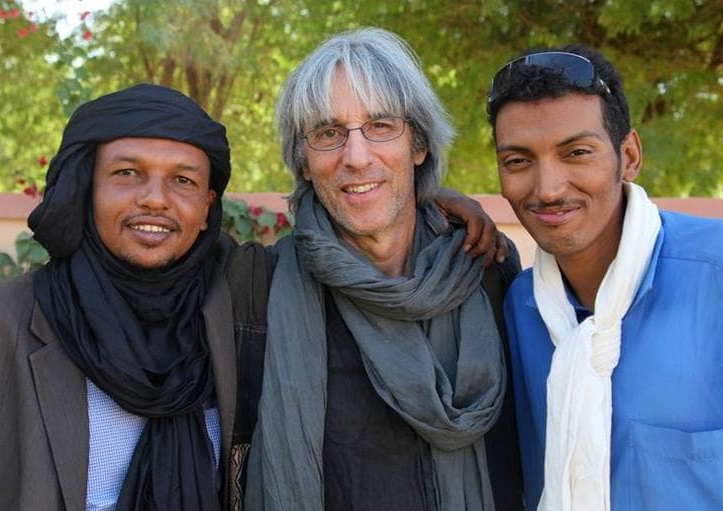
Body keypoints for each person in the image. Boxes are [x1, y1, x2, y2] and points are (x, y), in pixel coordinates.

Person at [0, 84, 272, 510]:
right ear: (86, 189)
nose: (156, 199)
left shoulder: (240, 323)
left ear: (206, 209)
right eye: (127, 173)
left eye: (183, 180)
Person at [246, 28, 523, 511]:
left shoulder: (488, 271)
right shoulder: (259, 289)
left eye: (381, 127)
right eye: (329, 133)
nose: (356, 157)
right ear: (305, 162)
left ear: (418, 145)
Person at [488, 45, 723, 510]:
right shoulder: (519, 308)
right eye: (518, 161)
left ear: (629, 154)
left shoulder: (714, 276)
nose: (548, 188)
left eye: (576, 152)